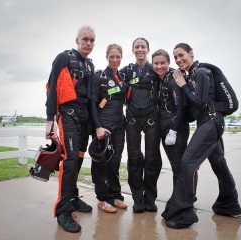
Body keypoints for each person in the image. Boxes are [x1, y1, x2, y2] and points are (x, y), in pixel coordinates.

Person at [163, 43, 241, 229]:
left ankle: (183, 212)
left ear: (191, 53)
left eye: (181, 55)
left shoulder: (201, 72)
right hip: (207, 123)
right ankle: (229, 204)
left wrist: (182, 86)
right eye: (175, 57)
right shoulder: (192, 76)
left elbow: (200, 102)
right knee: (219, 163)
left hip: (211, 123)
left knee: (188, 162)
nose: (178, 60)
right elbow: (192, 108)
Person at [45, 25, 95, 233]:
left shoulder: (90, 66)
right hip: (68, 117)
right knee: (70, 160)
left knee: (80, 158)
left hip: (84, 120)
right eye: (85, 39)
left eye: (92, 41)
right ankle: (63, 211)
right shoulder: (64, 58)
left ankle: (73, 198)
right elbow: (51, 87)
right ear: (77, 40)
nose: (88, 43)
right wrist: (50, 120)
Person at [120, 38, 162, 213]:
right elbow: (111, 78)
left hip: (152, 119)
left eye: (143, 47)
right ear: (133, 50)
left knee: (152, 159)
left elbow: (169, 73)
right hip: (132, 120)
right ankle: (138, 200)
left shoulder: (155, 70)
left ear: (148, 49)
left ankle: (150, 199)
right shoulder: (127, 71)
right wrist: (98, 73)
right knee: (135, 159)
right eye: (137, 47)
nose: (140, 50)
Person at [88, 43, 127, 213]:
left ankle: (115, 195)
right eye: (112, 56)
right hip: (103, 126)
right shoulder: (99, 76)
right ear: (107, 57)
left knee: (115, 162)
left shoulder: (123, 77)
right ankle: (103, 198)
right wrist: (97, 127)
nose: (115, 59)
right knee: (101, 163)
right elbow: (92, 103)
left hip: (120, 126)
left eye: (118, 56)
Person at [151, 49, 189, 188]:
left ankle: (183, 198)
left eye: (163, 63)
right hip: (164, 127)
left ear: (169, 63)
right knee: (176, 164)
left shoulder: (173, 78)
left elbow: (181, 107)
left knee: (178, 164)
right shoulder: (160, 79)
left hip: (175, 128)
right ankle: (180, 197)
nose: (159, 66)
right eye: (156, 63)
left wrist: (173, 130)